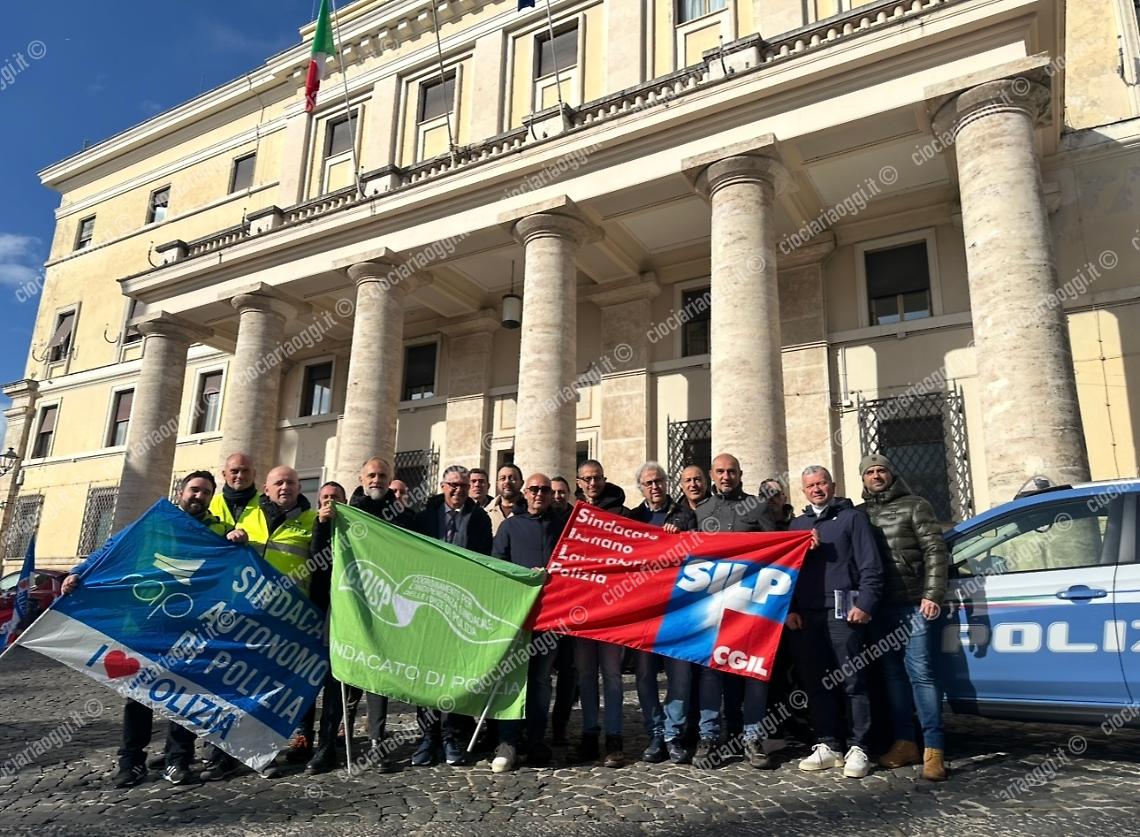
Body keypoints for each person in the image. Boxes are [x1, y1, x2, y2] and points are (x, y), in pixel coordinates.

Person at [62, 471, 231, 788]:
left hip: (189, 624)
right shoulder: (154, 521)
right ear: (181, 491)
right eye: (194, 489)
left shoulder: (218, 530)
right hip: (146, 620)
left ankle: (178, 761)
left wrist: (238, 540)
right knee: (137, 695)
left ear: (211, 497)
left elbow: (232, 563)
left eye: (206, 492)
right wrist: (80, 571)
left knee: (184, 694)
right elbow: (113, 548)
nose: (199, 496)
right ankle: (131, 763)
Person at [202, 464, 318, 781]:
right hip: (247, 617)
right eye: (279, 482)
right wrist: (233, 536)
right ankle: (224, 753)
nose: (286, 487)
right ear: (266, 488)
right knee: (238, 686)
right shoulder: (246, 517)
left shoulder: (312, 520)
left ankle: (264, 754)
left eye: (292, 482)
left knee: (274, 692)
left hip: (288, 621)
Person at [317, 457, 414, 770]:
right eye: (371, 475)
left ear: (391, 479)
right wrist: (322, 525)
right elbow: (320, 558)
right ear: (361, 477)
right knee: (339, 676)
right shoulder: (345, 510)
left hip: (383, 606)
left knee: (377, 678)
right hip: (346, 605)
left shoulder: (404, 515)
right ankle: (327, 744)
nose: (376, 479)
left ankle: (376, 742)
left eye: (382, 475)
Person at [787, 465, 884, 779]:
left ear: (833, 485)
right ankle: (828, 743)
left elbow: (871, 565)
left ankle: (860, 746)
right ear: (803, 491)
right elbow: (785, 575)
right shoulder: (796, 525)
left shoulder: (852, 518)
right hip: (807, 616)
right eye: (810, 485)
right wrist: (789, 609)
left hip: (845, 612)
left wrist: (865, 603)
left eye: (822, 483)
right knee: (816, 684)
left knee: (853, 681)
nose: (817, 489)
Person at [858, 454, 949, 781]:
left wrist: (932, 593)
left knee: (921, 674)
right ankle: (905, 743)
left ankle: (934, 749)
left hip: (913, 604)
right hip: (879, 608)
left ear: (891, 474)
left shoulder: (916, 505)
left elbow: (935, 551)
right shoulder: (860, 513)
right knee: (893, 677)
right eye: (869, 472)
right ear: (863, 479)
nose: (876, 475)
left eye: (881, 469)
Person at [408, 465, 493, 767]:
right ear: (443, 486)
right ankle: (427, 736)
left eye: (463, 485)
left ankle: (451, 735)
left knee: (455, 672)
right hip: (428, 607)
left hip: (459, 607)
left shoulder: (480, 518)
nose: (458, 490)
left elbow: (485, 559)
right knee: (426, 673)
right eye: (453, 485)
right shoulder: (424, 517)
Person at [694, 453, 773, 768]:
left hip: (752, 604)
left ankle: (753, 738)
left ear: (741, 474)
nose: (726, 476)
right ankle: (709, 736)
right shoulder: (700, 510)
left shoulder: (758, 506)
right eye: (721, 472)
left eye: (732, 472)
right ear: (712, 474)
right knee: (710, 672)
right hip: (711, 606)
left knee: (754, 671)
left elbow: (778, 548)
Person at [490, 473, 569, 772]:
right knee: (511, 679)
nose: (539, 494)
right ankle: (507, 741)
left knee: (540, 681)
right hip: (515, 618)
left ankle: (536, 739)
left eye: (544, 490)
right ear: (526, 492)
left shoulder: (562, 527)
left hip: (549, 618)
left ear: (551, 495)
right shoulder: (510, 526)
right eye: (534, 489)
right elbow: (496, 566)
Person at [625, 461, 692, 765]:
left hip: (678, 609)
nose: (655, 487)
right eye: (649, 483)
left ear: (667, 484)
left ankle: (673, 734)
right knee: (645, 675)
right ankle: (655, 731)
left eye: (659, 481)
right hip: (643, 612)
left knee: (679, 675)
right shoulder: (632, 519)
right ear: (640, 487)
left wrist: (681, 534)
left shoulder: (683, 514)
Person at [572, 459, 629, 767]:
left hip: (613, 610)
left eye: (597, 478)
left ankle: (615, 737)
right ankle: (590, 733)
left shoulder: (622, 514)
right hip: (581, 610)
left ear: (604, 480)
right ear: (579, 482)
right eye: (587, 479)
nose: (592, 483)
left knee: (613, 676)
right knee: (586, 676)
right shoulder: (571, 516)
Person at [302, 481, 360, 775]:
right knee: (308, 682)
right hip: (315, 612)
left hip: (345, 614)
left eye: (335, 497)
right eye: (324, 498)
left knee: (335, 683)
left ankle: (326, 745)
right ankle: (303, 738)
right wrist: (323, 527)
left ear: (345, 501)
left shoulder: (356, 530)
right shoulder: (315, 527)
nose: (329, 502)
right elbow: (316, 566)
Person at [547, 474, 577, 744]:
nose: (556, 496)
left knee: (569, 673)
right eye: (552, 492)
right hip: (543, 612)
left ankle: (560, 725)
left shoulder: (579, 521)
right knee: (540, 673)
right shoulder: (537, 522)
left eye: (561, 492)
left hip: (571, 611)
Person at [209, 452, 261, 534]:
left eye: (245, 471)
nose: (240, 476)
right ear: (224, 474)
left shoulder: (266, 504)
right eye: (234, 471)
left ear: (254, 474)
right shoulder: (210, 503)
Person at [487, 464, 523, 535]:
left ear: (521, 483)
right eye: (502, 478)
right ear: (497, 483)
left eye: (512, 478)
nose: (507, 482)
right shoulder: (487, 513)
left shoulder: (532, 511)